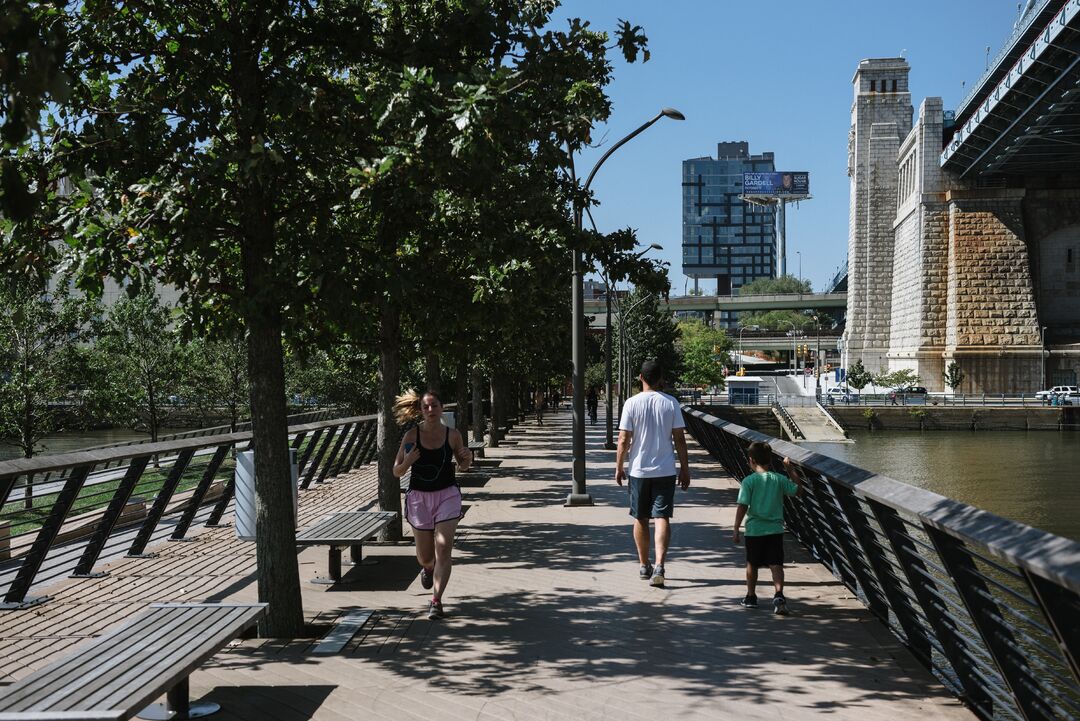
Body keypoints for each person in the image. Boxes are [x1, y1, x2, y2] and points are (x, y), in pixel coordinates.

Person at [392, 389, 472, 620]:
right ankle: (428, 568)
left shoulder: (453, 435)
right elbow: (397, 471)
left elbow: (463, 465)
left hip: (447, 494)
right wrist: (407, 461)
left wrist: (467, 458)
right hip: (419, 498)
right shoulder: (411, 436)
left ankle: (436, 601)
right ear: (420, 410)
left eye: (434, 405)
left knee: (444, 547)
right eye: (426, 407)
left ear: (441, 407)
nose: (430, 410)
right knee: (426, 557)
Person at [615, 359, 691, 587]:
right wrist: (685, 468)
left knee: (640, 517)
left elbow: (623, 439)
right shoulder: (671, 403)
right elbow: (679, 438)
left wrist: (619, 467)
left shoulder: (631, 403)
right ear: (660, 379)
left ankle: (643, 564)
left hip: (638, 470)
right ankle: (659, 564)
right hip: (665, 469)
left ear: (640, 378)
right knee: (662, 517)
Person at [732, 441, 804, 615]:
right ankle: (779, 594)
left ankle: (751, 596)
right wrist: (790, 470)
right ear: (770, 460)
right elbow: (798, 491)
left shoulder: (748, 482)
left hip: (754, 530)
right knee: (776, 564)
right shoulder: (778, 479)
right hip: (775, 530)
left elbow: (742, 505)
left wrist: (736, 528)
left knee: (752, 564)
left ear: (751, 460)